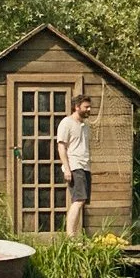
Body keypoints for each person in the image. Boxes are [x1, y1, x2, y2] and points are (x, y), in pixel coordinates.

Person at [54, 94, 94, 236]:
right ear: (77, 107)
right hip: (74, 166)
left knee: (81, 201)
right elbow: (61, 147)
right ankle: (71, 237)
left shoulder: (85, 126)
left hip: (85, 166)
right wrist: (67, 169)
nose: (89, 109)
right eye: (86, 107)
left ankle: (75, 234)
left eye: (89, 106)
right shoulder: (67, 123)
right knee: (78, 200)